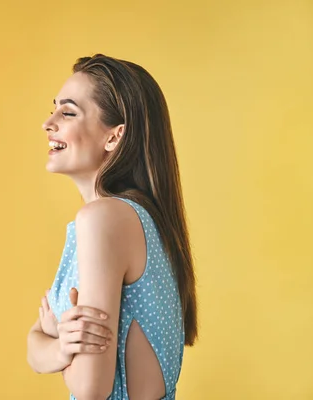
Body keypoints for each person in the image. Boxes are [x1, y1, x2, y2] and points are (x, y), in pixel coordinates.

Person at [26, 54, 198, 400]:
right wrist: (61, 345)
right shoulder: (133, 221)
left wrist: (54, 340)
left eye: (68, 112)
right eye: (54, 108)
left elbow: (90, 388)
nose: (49, 122)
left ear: (114, 137)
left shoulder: (104, 220)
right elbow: (33, 345)